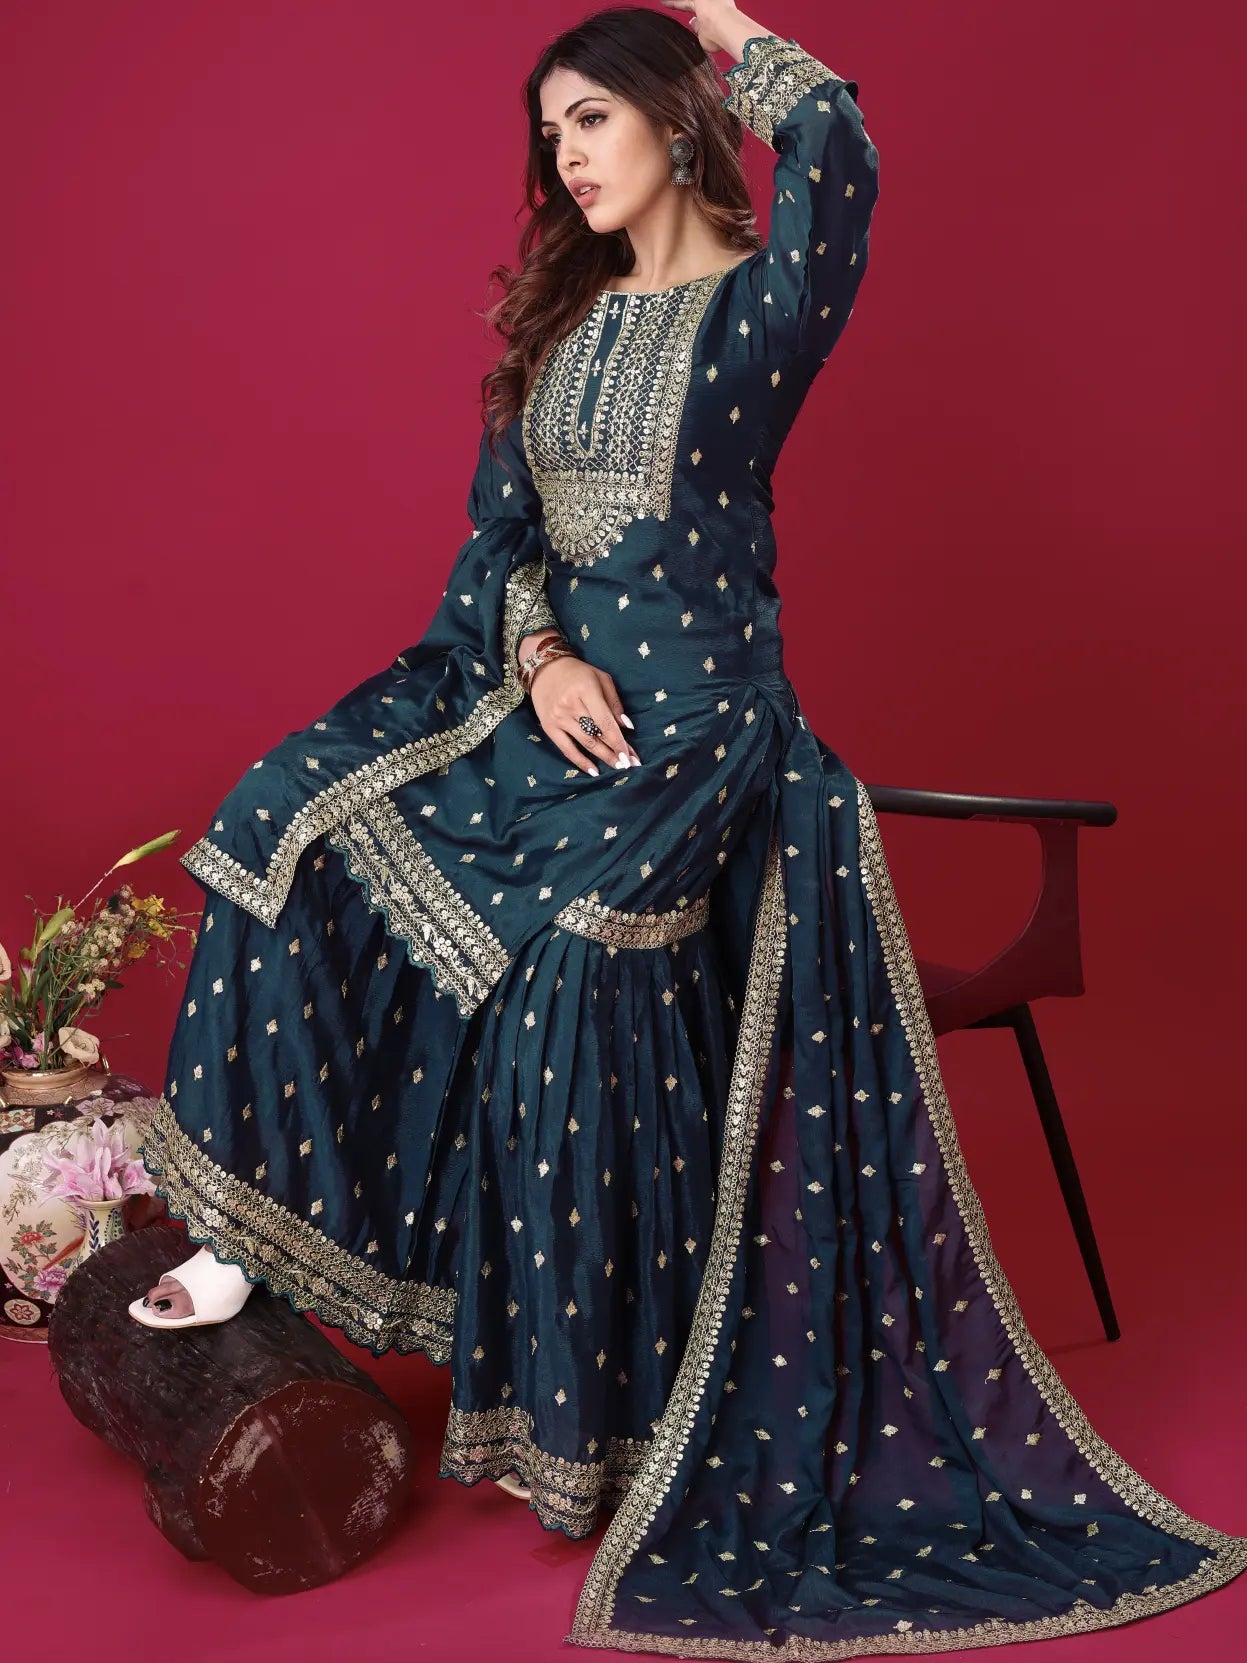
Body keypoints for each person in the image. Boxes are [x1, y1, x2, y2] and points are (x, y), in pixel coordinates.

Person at [129, 1, 1247, 1654]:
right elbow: (498, 548)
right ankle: (249, 1248)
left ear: (674, 113)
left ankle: (587, 1426)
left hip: (703, 758)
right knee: (280, 832)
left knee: (568, 988)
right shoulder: (560, 333)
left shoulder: (757, 313)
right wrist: (541, 650)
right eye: (549, 132)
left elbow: (844, 161)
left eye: (591, 118)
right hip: (547, 729)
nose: (565, 157)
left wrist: (728, 18)